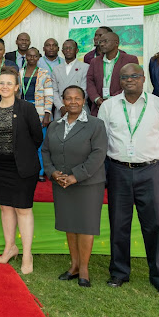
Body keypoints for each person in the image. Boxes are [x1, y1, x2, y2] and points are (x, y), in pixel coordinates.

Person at [98, 64, 159, 300]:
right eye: (124, 77)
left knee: (154, 226)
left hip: (150, 171)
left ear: (144, 79)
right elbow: (102, 138)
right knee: (119, 224)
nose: (129, 80)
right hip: (118, 171)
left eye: (134, 76)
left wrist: (150, 158)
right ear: (119, 81)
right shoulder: (108, 106)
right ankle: (119, 272)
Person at [42, 85, 108, 287]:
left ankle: (85, 269)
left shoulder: (96, 125)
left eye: (77, 98)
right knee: (69, 225)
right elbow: (45, 151)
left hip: (88, 183)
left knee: (85, 226)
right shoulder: (54, 125)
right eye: (68, 98)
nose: (72, 102)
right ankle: (74, 265)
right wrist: (52, 172)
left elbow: (98, 154)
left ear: (84, 100)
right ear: (62, 100)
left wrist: (75, 176)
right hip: (61, 183)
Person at [0, 67, 43, 274]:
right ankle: (10, 247)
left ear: (17, 87)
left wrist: (23, 154)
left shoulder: (26, 108)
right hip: (0, 166)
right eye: (1, 83)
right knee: (5, 208)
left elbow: (37, 137)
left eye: (9, 83)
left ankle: (27, 255)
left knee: (23, 209)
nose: (5, 86)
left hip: (23, 167)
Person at [19, 47, 54, 181]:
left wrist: (47, 114)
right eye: (29, 56)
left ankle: (39, 172)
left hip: (39, 111)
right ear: (25, 57)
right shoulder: (20, 73)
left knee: (40, 142)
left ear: (38, 58)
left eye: (34, 56)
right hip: (23, 110)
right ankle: (26, 169)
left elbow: (49, 95)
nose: (31, 58)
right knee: (24, 142)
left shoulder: (44, 73)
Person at [86, 32, 138, 116]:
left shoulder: (130, 59)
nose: (102, 44)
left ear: (116, 43)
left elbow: (131, 82)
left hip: (122, 105)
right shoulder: (94, 61)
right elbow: (90, 81)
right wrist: (97, 99)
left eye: (105, 41)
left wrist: (112, 99)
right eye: (100, 42)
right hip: (99, 107)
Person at [51, 39, 89, 121]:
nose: (68, 50)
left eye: (71, 48)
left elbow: (85, 90)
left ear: (77, 50)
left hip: (79, 108)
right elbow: (54, 91)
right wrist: (61, 107)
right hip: (61, 111)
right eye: (65, 48)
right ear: (62, 51)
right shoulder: (56, 69)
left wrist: (72, 105)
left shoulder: (85, 67)